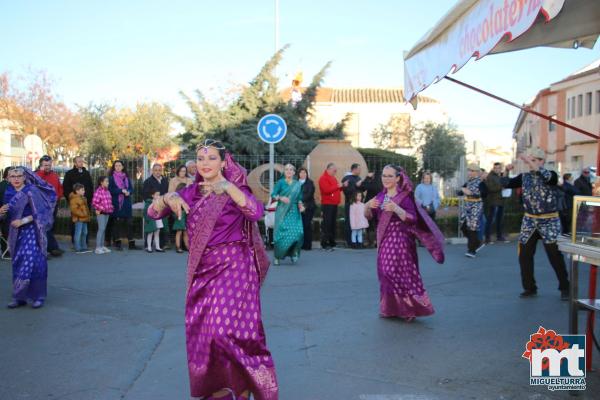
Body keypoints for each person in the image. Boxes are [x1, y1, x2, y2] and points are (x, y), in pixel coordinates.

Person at [147, 139, 278, 399]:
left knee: (228, 331)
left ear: (223, 161)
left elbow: (255, 212)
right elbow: (152, 213)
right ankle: (223, 390)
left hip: (235, 265)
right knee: (207, 336)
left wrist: (228, 187)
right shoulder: (191, 192)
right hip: (202, 269)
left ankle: (248, 384)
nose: (205, 163)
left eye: (212, 158)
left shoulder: (234, 189)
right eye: (201, 158)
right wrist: (167, 197)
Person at [365, 165, 444, 320]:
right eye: (383, 175)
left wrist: (396, 208)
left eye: (389, 176)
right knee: (385, 273)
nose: (385, 179)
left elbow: (412, 218)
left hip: (401, 239)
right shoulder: (380, 196)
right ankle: (390, 308)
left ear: (397, 178)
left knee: (399, 273)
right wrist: (367, 206)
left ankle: (408, 308)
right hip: (384, 239)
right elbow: (369, 217)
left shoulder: (405, 197)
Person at [503, 148, 569, 300]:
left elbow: (547, 177)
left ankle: (565, 287)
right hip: (529, 221)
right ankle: (529, 288)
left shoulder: (551, 175)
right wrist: (505, 171)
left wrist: (529, 161)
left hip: (549, 221)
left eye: (534, 160)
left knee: (555, 256)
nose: (529, 163)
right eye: (530, 160)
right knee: (524, 255)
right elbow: (506, 183)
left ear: (541, 161)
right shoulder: (524, 177)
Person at [3, 167, 56, 309]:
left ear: (24, 177)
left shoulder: (31, 191)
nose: (16, 179)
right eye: (12, 176)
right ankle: (19, 297)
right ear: (8, 178)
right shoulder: (8, 192)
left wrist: (23, 221)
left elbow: (42, 213)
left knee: (35, 262)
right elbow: (7, 215)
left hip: (32, 230)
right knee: (18, 262)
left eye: (19, 176)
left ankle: (38, 296)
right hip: (15, 233)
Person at [271, 164, 305, 265]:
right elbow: (273, 195)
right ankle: (277, 256)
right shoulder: (280, 182)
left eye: (291, 170)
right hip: (282, 211)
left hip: (294, 211)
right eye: (286, 169)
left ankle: (294, 252)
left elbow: (299, 198)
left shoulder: (297, 184)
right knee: (280, 235)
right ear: (284, 172)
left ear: (294, 172)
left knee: (298, 233)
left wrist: (301, 206)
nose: (289, 171)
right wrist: (281, 198)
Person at [35, 155, 64, 257]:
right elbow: (37, 184)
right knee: (43, 227)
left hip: (53, 204)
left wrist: (58, 196)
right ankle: (51, 248)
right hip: (42, 205)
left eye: (49, 165)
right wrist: (42, 172)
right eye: (45, 165)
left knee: (50, 226)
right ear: (41, 165)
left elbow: (59, 187)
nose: (48, 167)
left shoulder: (54, 175)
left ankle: (51, 247)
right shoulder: (37, 174)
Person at [108, 160, 139, 251]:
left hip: (126, 203)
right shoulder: (111, 178)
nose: (118, 167)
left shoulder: (126, 178)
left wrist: (128, 192)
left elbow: (131, 189)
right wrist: (120, 191)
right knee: (117, 224)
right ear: (114, 167)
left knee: (129, 223)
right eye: (116, 165)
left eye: (119, 165)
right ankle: (117, 244)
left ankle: (131, 244)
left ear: (122, 167)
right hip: (117, 204)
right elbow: (110, 190)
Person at [63, 156, 94, 244]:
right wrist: (71, 198)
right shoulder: (69, 173)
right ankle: (75, 242)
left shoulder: (86, 173)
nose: (81, 162)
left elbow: (90, 187)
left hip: (86, 201)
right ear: (75, 163)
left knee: (85, 221)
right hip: (75, 202)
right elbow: (66, 188)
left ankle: (84, 242)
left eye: (81, 161)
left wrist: (89, 198)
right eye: (79, 161)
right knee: (75, 221)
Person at [318, 163, 347, 251]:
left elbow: (335, 189)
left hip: (334, 204)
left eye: (336, 171)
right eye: (334, 170)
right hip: (327, 204)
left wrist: (342, 187)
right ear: (329, 169)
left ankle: (331, 242)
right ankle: (324, 243)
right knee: (327, 224)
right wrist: (338, 186)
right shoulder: (323, 178)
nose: (335, 172)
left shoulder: (333, 178)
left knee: (332, 224)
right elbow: (326, 190)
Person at [459, 164, 484, 258]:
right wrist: (462, 190)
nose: (469, 172)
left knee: (472, 228)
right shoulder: (469, 181)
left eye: (471, 170)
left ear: (476, 172)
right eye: (469, 170)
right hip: (467, 206)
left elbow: (484, 193)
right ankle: (477, 242)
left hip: (476, 206)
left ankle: (472, 250)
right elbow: (461, 190)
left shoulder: (481, 182)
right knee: (463, 227)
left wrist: (472, 193)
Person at [143, 163, 170, 249]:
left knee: (161, 225)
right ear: (152, 171)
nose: (158, 172)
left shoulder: (165, 180)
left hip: (163, 206)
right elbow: (145, 195)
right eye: (156, 170)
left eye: (159, 170)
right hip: (153, 207)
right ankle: (148, 245)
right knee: (151, 226)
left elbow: (167, 193)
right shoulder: (147, 181)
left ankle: (161, 245)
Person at [170, 165, 193, 253]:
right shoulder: (173, 180)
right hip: (177, 207)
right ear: (178, 171)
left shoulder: (189, 180)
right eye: (181, 171)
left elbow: (192, 193)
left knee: (186, 229)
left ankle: (187, 246)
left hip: (188, 207)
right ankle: (178, 246)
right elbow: (170, 194)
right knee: (179, 229)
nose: (183, 173)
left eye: (184, 171)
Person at [485, 162, 509, 243]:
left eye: (498, 168)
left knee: (500, 220)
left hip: (501, 200)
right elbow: (490, 188)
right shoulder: (490, 176)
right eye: (495, 168)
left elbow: (506, 180)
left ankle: (499, 236)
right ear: (493, 168)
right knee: (491, 220)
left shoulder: (500, 176)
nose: (497, 169)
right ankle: (488, 238)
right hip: (493, 201)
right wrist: (501, 187)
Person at [341, 163, 364, 246]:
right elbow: (346, 191)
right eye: (359, 169)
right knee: (349, 222)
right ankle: (350, 241)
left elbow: (361, 191)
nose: (360, 171)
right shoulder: (346, 178)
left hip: (358, 205)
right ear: (354, 169)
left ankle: (358, 242)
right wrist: (356, 185)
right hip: (350, 204)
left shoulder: (359, 178)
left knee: (358, 222)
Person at [92, 176, 113, 254]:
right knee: (101, 229)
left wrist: (110, 208)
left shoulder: (107, 191)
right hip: (101, 213)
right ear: (101, 182)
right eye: (106, 181)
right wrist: (102, 208)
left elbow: (109, 202)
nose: (108, 183)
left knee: (103, 229)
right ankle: (98, 247)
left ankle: (102, 246)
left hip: (107, 212)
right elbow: (94, 202)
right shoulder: (98, 191)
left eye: (108, 181)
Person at [69, 183, 91, 254]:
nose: (84, 191)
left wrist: (85, 215)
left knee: (85, 232)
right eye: (82, 190)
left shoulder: (83, 198)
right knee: (78, 233)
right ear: (77, 191)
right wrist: (83, 214)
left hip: (84, 219)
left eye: (84, 190)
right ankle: (77, 248)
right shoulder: (74, 198)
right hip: (78, 219)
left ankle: (84, 247)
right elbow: (74, 210)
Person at [362, 171, 382, 247]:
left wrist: (367, 177)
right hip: (379, 206)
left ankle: (369, 242)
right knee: (378, 224)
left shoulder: (372, 184)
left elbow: (363, 186)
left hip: (370, 206)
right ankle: (377, 241)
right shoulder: (382, 185)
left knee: (369, 224)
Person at [298, 167, 315, 251]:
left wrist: (300, 200)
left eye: (304, 173)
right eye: (301, 173)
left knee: (306, 225)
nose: (303, 174)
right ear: (298, 174)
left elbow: (309, 194)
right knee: (300, 226)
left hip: (308, 207)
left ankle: (308, 245)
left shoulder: (310, 183)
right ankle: (301, 244)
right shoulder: (296, 183)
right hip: (298, 207)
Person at [0, 166, 12, 257]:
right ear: (7, 176)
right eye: (11, 175)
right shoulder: (3, 186)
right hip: (5, 214)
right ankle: (7, 250)